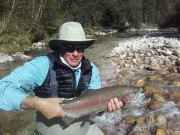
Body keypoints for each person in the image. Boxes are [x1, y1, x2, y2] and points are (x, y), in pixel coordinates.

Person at [0, 22, 123, 135]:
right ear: (59, 46)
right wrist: (36, 103)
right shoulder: (41, 65)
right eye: (69, 47)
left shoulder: (91, 69)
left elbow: (94, 111)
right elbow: (3, 88)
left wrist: (105, 107)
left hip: (87, 130)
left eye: (80, 48)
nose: (75, 53)